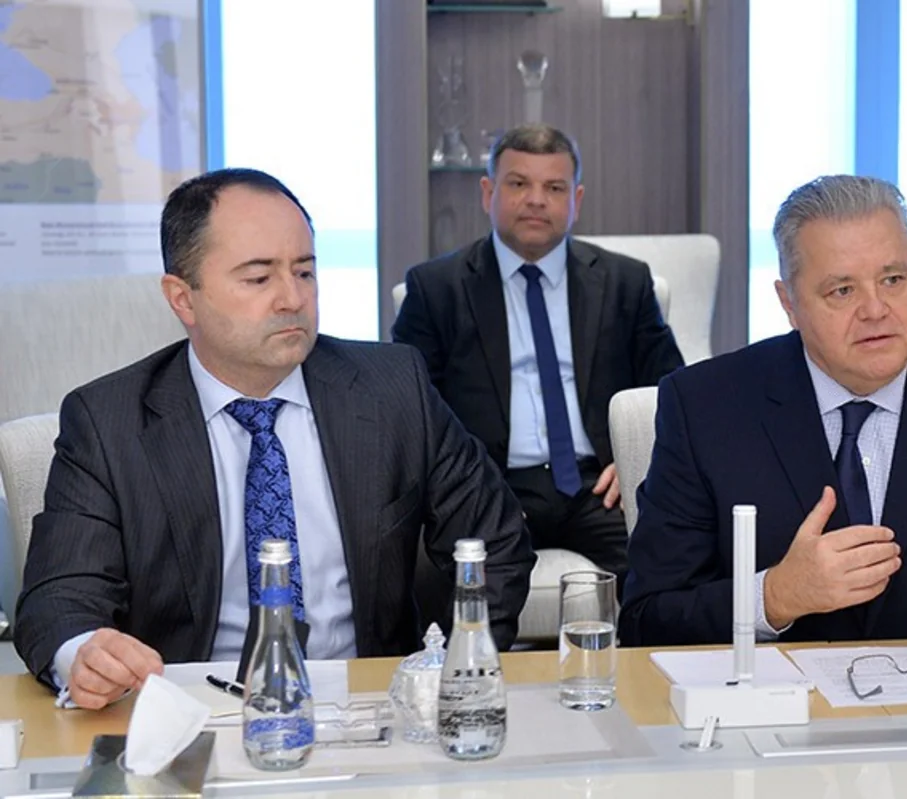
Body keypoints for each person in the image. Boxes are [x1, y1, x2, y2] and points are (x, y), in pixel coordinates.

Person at [15, 168, 534, 709]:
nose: (292, 298)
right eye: (259, 278)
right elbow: (59, 597)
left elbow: (494, 541)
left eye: (304, 272)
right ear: (182, 298)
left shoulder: (392, 389)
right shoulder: (109, 422)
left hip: (367, 705)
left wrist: (454, 670)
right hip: (190, 710)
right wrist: (84, 655)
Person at [619, 175, 907, 646]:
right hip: (778, 691)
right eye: (842, 290)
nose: (876, 309)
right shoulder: (705, 407)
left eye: (893, 280)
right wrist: (774, 596)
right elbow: (646, 620)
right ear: (789, 303)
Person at [393, 124, 683, 585]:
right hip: (491, 485)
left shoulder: (624, 282)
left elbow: (670, 391)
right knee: (477, 586)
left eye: (554, 188)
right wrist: (466, 486)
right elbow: (410, 411)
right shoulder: (436, 288)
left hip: (598, 485)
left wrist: (634, 463)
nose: (535, 200)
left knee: (663, 573)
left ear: (576, 200)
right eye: (518, 184)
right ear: (488, 193)